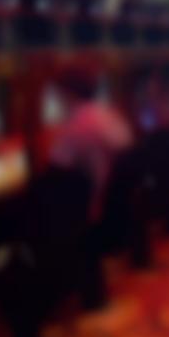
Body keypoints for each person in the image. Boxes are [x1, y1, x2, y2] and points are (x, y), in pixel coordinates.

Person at [49, 66, 133, 223]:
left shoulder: (78, 123)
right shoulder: (108, 114)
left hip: (97, 208)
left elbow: (56, 170)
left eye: (58, 94)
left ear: (67, 93)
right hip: (121, 203)